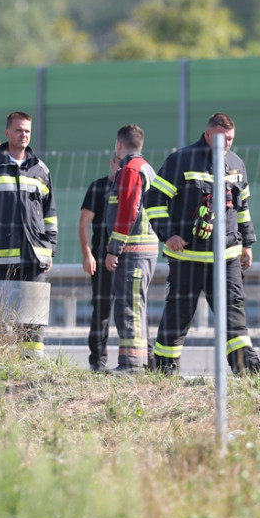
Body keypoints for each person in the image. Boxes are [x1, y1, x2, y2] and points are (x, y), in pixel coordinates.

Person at [144, 113, 260, 377]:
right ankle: (164, 371)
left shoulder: (236, 164)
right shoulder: (180, 160)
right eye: (222, 138)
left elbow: (242, 209)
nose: (227, 143)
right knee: (180, 314)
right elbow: (153, 201)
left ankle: (248, 370)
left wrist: (247, 244)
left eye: (231, 139)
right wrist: (169, 235)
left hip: (227, 257)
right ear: (208, 135)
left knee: (234, 314)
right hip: (188, 257)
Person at [0, 111, 58, 359]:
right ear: (7, 133)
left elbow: (50, 214)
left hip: (33, 255)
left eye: (27, 130)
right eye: (18, 130)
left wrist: (50, 249)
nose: (23, 135)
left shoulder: (40, 168)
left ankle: (32, 361)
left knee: (34, 312)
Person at [104, 125, 159, 373]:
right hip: (144, 249)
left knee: (128, 307)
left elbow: (127, 210)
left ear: (119, 145)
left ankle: (131, 365)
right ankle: (145, 360)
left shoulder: (130, 170)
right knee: (137, 306)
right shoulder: (147, 168)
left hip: (133, 250)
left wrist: (114, 248)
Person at [79, 154, 119, 372]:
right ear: (111, 163)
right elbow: (84, 222)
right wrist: (87, 254)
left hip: (128, 257)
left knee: (130, 311)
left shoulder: (136, 185)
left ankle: (136, 360)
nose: (121, 167)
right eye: (118, 162)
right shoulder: (99, 188)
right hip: (102, 258)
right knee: (102, 310)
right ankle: (98, 362)